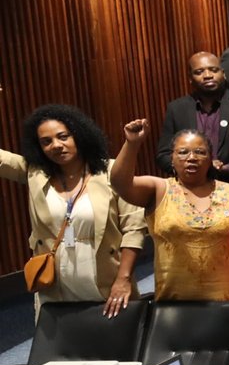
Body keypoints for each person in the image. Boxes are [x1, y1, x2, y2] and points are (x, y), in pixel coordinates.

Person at [2, 105, 144, 316]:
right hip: (54, 285)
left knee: (110, 335)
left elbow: (134, 229)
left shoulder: (111, 171)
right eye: (46, 142)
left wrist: (123, 279)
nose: (56, 145)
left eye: (63, 136)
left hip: (105, 281)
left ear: (79, 134)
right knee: (60, 337)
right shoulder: (36, 173)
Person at [110, 120, 229, 302]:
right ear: (172, 158)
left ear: (211, 159)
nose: (192, 157)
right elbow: (120, 184)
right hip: (173, 304)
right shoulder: (158, 190)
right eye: (183, 152)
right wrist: (132, 144)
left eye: (200, 152)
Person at [155, 50, 229, 216]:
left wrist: (228, 169)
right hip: (191, 200)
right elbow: (163, 155)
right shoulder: (177, 109)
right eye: (199, 72)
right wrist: (194, 167)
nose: (207, 75)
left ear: (223, 73)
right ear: (190, 78)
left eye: (213, 70)